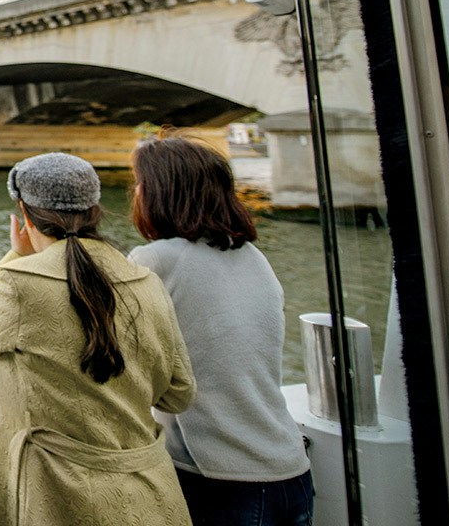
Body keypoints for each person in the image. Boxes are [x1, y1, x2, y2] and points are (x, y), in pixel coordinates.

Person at [0, 152, 195, 526]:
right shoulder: (146, 281)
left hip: (55, 497)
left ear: (25, 214)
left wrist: (14, 256)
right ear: (95, 211)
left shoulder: (21, 284)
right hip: (151, 493)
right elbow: (179, 392)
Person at [128, 133, 313, 526]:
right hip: (290, 468)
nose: (136, 194)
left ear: (159, 192)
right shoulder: (253, 257)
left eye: (139, 184)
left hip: (219, 477)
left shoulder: (157, 259)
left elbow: (119, 347)